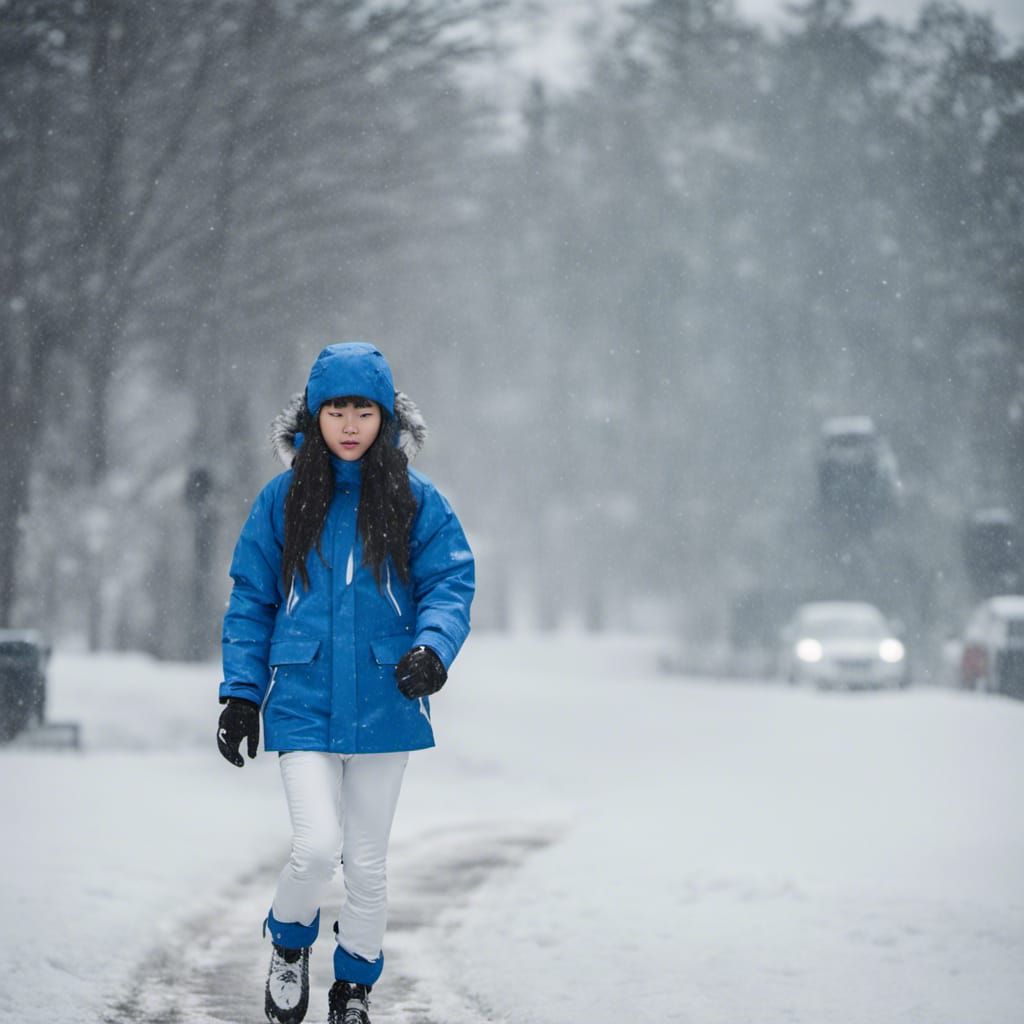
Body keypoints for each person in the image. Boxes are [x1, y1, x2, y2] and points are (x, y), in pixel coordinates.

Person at [216, 342, 474, 1024]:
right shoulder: (283, 499)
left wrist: (432, 649)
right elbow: (251, 599)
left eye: (365, 410)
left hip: (387, 700)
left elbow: (450, 582)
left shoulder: (417, 501)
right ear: (315, 416)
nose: (351, 424)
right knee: (315, 847)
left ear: (386, 418)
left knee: (366, 865)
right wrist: (241, 694)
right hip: (300, 700)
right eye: (338, 410)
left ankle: (353, 989)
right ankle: (289, 941)